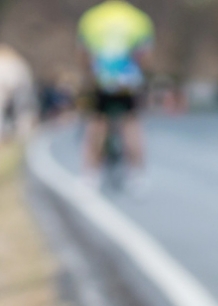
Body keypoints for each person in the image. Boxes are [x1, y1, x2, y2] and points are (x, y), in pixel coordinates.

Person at [77, 0, 154, 186]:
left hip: (101, 79)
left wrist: (90, 76)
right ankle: (137, 174)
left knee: (97, 123)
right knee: (131, 124)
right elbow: (145, 55)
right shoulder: (138, 19)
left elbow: (83, 54)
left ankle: (90, 174)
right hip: (128, 81)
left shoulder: (91, 18)